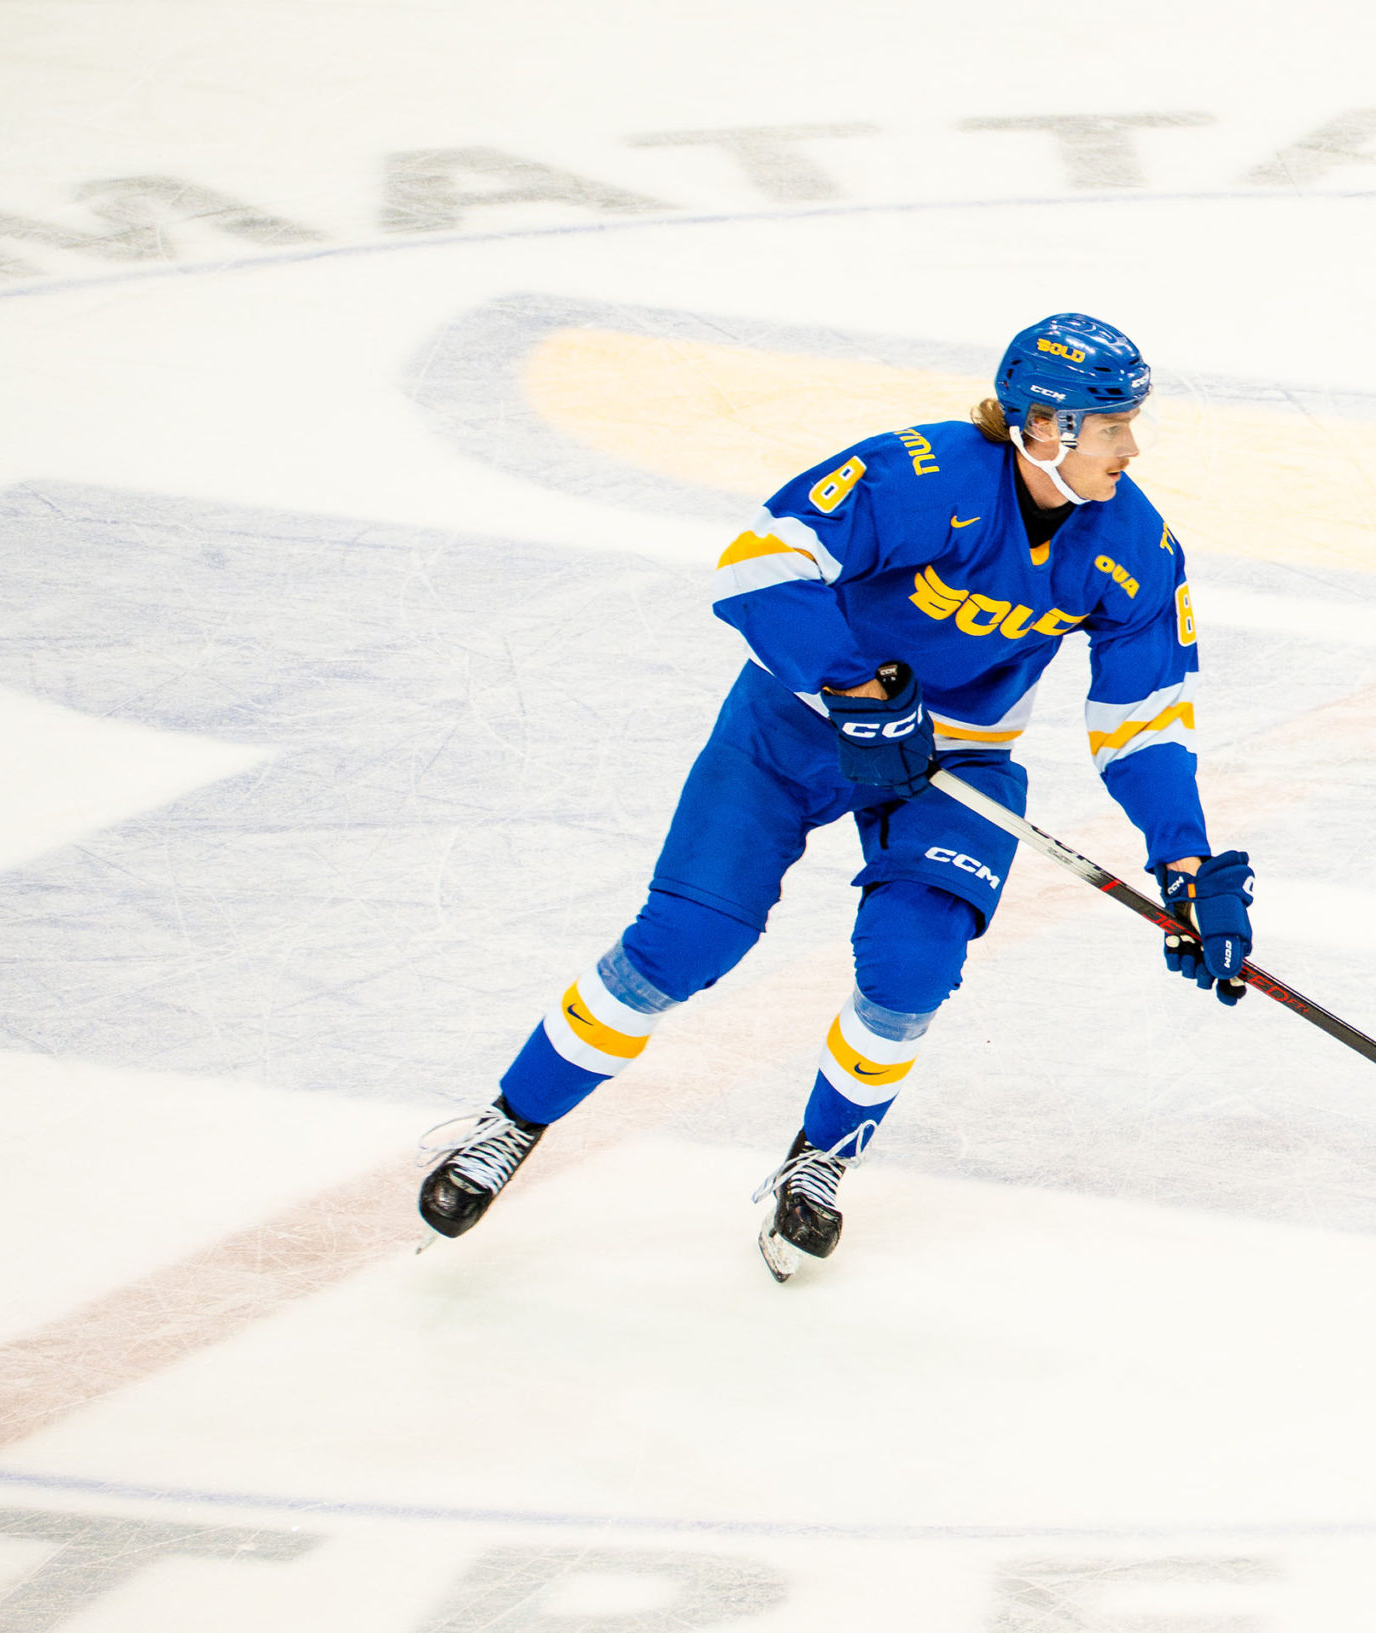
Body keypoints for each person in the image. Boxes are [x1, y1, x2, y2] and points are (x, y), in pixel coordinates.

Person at [416, 312, 1254, 1279]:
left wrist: (1184, 858)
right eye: (1112, 427)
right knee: (685, 942)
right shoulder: (921, 474)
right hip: (796, 723)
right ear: (1043, 426)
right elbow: (760, 563)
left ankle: (819, 1160)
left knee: (912, 966)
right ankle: (511, 1120)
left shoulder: (1138, 547)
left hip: (959, 766)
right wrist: (857, 689)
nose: (1131, 448)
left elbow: (1142, 720)